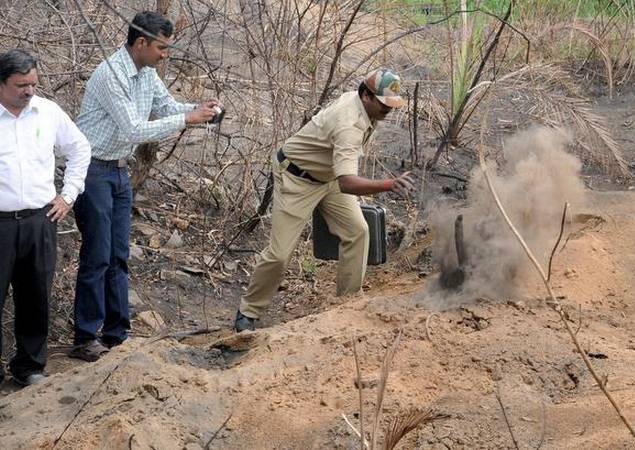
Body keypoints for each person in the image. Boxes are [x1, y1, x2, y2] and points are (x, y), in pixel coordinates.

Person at [70, 11, 219, 361]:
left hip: (119, 171)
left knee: (118, 254)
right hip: (92, 170)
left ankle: (117, 333)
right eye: (161, 47)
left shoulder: (146, 73)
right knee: (97, 255)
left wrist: (198, 110)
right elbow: (134, 129)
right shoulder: (111, 74)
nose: (165, 54)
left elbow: (166, 106)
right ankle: (85, 335)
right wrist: (186, 118)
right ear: (140, 43)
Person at [234, 68, 414, 332]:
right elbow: (348, 183)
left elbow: (341, 177)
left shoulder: (365, 107)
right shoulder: (349, 123)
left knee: (358, 231)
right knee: (280, 254)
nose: (389, 110)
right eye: (384, 104)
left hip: (328, 177)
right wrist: (388, 184)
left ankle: (346, 305)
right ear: (365, 95)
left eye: (392, 105)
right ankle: (248, 312)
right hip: (298, 178)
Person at [0, 49, 91, 385]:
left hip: (41, 220)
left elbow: (80, 149)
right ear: (1, 83)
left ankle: (29, 367)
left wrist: (68, 195)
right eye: (20, 85)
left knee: (36, 295)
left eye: (33, 84)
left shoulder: (48, 112)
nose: (28, 91)